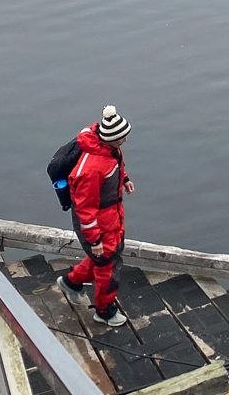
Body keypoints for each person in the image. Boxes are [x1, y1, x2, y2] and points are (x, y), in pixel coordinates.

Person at [56, 106, 135, 326]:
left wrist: (125, 179)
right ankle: (104, 311)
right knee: (108, 266)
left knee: (105, 258)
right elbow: (84, 208)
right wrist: (94, 240)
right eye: (122, 138)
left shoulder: (108, 150)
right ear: (112, 139)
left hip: (110, 216)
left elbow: (116, 165)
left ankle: (72, 282)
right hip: (98, 221)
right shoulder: (91, 169)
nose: (125, 141)